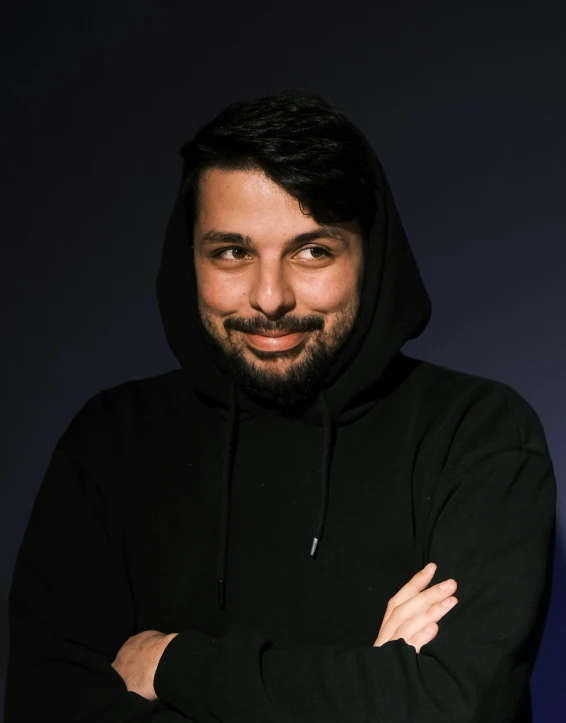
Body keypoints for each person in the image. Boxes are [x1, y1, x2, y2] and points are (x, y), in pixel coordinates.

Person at [5, 89, 556, 723]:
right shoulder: (112, 440)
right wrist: (373, 688)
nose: (270, 298)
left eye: (312, 251)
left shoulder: (476, 434)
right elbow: (45, 703)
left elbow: (453, 704)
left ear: (370, 256)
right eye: (232, 253)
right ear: (189, 257)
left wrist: (175, 665)